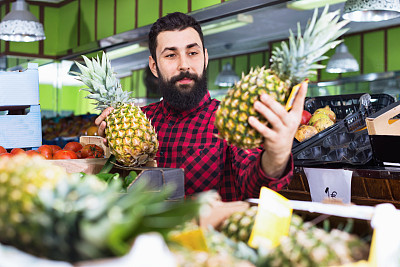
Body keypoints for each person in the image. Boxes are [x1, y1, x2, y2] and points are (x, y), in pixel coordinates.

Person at [95, 12, 307, 201]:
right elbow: (120, 189)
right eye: (170, 55)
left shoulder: (231, 118)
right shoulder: (141, 119)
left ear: (205, 58)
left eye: (192, 53)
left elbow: (255, 186)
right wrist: (110, 151)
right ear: (154, 66)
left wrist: (277, 155)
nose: (184, 65)